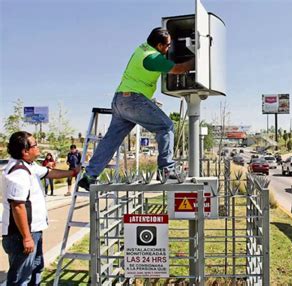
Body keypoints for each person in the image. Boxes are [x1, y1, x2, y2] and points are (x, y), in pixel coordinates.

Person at [78, 27, 194, 190]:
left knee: (111, 140)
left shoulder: (142, 49)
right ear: (159, 45)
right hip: (134, 100)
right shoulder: (152, 58)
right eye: (167, 46)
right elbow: (178, 69)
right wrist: (197, 60)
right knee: (165, 126)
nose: (168, 49)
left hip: (119, 100)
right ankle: (166, 170)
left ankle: (89, 176)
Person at [1, 131, 81, 285]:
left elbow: (49, 173)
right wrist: (26, 237)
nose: (38, 148)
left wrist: (72, 172)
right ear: (25, 151)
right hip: (21, 235)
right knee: (21, 279)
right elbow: (18, 207)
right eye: (35, 145)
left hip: (33, 232)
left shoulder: (29, 166)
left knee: (36, 268)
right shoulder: (18, 172)